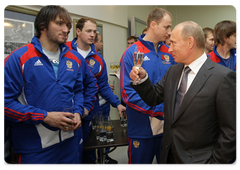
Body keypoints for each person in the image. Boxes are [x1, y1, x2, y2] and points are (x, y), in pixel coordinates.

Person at [130, 21, 237, 165]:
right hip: (169, 158)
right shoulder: (173, 71)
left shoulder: (223, 77)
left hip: (201, 161)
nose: (169, 49)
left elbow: (231, 132)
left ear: (190, 42)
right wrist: (143, 80)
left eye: (173, 43)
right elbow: (154, 97)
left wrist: (215, 164)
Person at [2, 4, 86, 164]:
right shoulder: (19, 58)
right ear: (42, 25)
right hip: (34, 149)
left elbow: (78, 91)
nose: (66, 29)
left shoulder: (74, 59)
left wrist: (78, 111)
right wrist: (44, 116)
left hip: (70, 145)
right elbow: (3, 103)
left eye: (68, 25)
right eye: (60, 23)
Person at [66, 17, 126, 164]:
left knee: (89, 152)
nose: (92, 34)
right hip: (67, 110)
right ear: (78, 31)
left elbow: (103, 86)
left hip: (90, 111)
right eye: (88, 31)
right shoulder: (65, 49)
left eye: (94, 31)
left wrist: (117, 104)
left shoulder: (98, 59)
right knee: (69, 153)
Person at [120, 8, 176, 165]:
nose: (170, 32)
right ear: (153, 25)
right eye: (167, 27)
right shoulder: (132, 52)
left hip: (167, 129)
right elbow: (127, 93)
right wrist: (157, 110)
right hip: (142, 129)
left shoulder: (169, 52)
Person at [93, 32, 118, 165]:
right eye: (100, 41)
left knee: (105, 131)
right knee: (94, 136)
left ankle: (105, 156)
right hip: (93, 105)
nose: (102, 44)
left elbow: (101, 83)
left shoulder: (99, 59)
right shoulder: (79, 58)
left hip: (104, 102)